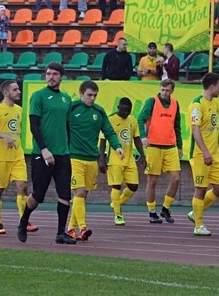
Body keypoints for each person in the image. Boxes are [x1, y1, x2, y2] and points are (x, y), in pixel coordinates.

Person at [16, 63, 76, 245]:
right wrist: (43, 149)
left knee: (65, 194)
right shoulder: (38, 96)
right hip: (42, 154)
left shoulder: (66, 99)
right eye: (48, 74)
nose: (51, 77)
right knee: (38, 195)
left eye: (55, 74)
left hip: (62, 154)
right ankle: (24, 221)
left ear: (61, 76)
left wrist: (67, 148)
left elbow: (67, 126)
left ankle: (60, 233)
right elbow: (34, 125)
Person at [65, 80, 124, 241]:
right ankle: (83, 227)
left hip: (92, 159)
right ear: (81, 94)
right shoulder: (71, 108)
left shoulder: (99, 111)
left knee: (83, 196)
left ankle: (70, 229)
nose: (92, 98)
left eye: (95, 95)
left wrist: (117, 146)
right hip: (74, 158)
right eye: (89, 95)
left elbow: (109, 131)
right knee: (79, 192)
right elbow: (59, 128)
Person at [0, 80, 36, 235]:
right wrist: (4, 136)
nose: (19, 92)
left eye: (18, 89)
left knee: (23, 186)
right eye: (15, 89)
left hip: (17, 156)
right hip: (0, 157)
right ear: (6, 92)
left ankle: (23, 220)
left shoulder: (19, 110)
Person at [186, 73, 219, 236]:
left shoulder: (216, 104)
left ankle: (195, 212)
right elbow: (195, 130)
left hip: (215, 154)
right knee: (201, 189)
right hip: (200, 154)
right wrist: (205, 151)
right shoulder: (197, 104)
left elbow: (215, 131)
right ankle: (198, 225)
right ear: (212, 86)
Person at [137, 79, 182, 224]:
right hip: (154, 146)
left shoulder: (175, 104)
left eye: (167, 90)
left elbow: (177, 126)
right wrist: (143, 137)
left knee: (176, 178)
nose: (164, 93)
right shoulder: (152, 101)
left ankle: (166, 208)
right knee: (152, 180)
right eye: (162, 89)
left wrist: (180, 146)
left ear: (172, 91)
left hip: (170, 146)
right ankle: (152, 212)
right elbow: (140, 119)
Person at [99, 97, 144, 226]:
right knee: (116, 186)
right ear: (118, 108)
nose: (125, 113)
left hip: (129, 159)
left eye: (128, 111)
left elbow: (136, 138)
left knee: (134, 186)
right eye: (123, 110)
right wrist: (102, 159)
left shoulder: (133, 120)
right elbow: (103, 140)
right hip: (115, 159)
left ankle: (117, 202)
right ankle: (118, 215)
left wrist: (143, 155)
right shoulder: (110, 120)